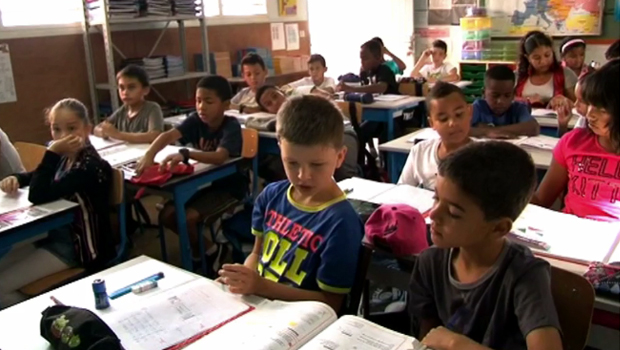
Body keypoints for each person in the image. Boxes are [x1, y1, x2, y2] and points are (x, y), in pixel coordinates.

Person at [409, 141, 563, 350]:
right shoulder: (430, 262)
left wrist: (456, 343)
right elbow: (426, 339)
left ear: (499, 228)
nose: (434, 214)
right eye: (437, 198)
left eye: (454, 212)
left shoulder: (524, 275)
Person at [218, 95, 364, 313]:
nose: (303, 176)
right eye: (292, 162)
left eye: (316, 164)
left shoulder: (341, 223)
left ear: (340, 157)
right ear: (280, 150)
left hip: (302, 320)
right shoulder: (271, 196)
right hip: (261, 306)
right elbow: (257, 254)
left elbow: (331, 303)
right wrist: (245, 280)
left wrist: (261, 286)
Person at [0, 99, 114, 308]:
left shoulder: (89, 167)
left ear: (87, 129)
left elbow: (38, 194)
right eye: (56, 129)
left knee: (0, 288)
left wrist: (52, 151)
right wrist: (17, 178)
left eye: (72, 128)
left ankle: (40, 313)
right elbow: (35, 176)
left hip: (77, 248)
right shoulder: (66, 158)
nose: (63, 136)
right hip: (51, 236)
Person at [135, 76, 247, 273]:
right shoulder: (196, 120)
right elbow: (167, 135)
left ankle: (201, 255)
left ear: (226, 104)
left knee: (186, 218)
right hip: (204, 184)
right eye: (198, 100)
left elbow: (220, 157)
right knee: (167, 215)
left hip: (229, 188)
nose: (201, 107)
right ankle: (210, 250)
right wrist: (149, 155)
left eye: (209, 101)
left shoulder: (231, 126)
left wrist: (186, 154)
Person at [532, 59, 620, 222]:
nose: (590, 115)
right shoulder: (572, 142)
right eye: (590, 104)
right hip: (570, 234)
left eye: (601, 109)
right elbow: (541, 200)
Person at [255, 84, 359, 181]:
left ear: (282, 92)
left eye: (275, 96)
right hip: (319, 137)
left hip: (342, 130)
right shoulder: (283, 117)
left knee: (344, 174)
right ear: (267, 110)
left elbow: (326, 97)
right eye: (269, 104)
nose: (275, 102)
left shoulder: (299, 94)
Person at [398, 82, 472, 190]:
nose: (453, 123)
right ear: (431, 123)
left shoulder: (485, 157)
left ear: (470, 112)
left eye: (459, 114)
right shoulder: (420, 152)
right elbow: (402, 193)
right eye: (443, 119)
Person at [94, 65, 164, 143]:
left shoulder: (152, 108)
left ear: (145, 90)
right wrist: (103, 132)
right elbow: (97, 128)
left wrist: (118, 135)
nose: (125, 92)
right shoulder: (123, 110)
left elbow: (154, 135)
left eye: (131, 87)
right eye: (121, 88)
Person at [470, 65, 540, 138]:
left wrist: (489, 131)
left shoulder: (518, 109)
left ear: (513, 94)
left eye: (507, 95)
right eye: (495, 95)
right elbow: (462, 130)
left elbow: (534, 128)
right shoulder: (478, 107)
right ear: (484, 93)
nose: (501, 101)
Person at [515, 31, 577, 110]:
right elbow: (504, 100)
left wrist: (565, 102)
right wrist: (525, 100)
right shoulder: (518, 76)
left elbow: (579, 105)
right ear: (528, 58)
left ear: (552, 51)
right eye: (537, 58)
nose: (543, 61)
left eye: (547, 55)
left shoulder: (566, 74)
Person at [557, 70, 592, 137]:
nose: (575, 105)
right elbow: (569, 143)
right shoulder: (583, 119)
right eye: (576, 99)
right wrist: (563, 125)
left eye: (581, 101)